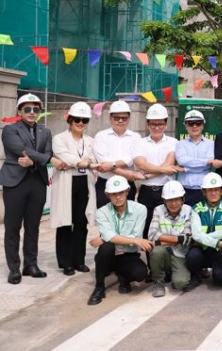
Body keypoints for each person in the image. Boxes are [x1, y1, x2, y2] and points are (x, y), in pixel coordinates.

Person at [1, 93, 60, 284]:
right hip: (15, 183)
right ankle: (14, 268)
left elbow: (45, 151)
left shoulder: (45, 132)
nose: (32, 112)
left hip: (37, 182)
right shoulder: (10, 130)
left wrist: (33, 163)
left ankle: (30, 265)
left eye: (36, 109)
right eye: (27, 109)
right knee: (13, 227)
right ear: (19, 111)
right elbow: (22, 150)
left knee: (33, 226)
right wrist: (49, 160)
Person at [88, 176, 151, 305]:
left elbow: (136, 235)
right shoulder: (101, 212)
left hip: (128, 253)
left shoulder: (140, 209)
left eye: (121, 193)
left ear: (127, 191)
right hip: (109, 254)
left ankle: (123, 276)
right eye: (114, 194)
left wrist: (106, 237)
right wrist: (108, 237)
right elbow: (130, 239)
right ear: (107, 195)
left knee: (140, 274)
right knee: (106, 247)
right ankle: (99, 286)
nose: (118, 197)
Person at [51, 102, 96, 276]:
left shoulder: (90, 141)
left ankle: (79, 260)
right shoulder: (59, 138)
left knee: (80, 223)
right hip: (65, 184)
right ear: (70, 120)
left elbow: (91, 159)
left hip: (83, 183)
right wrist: (82, 162)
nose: (80, 123)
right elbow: (64, 156)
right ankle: (65, 262)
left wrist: (77, 163)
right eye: (77, 119)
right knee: (64, 223)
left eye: (84, 120)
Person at [132, 104, 181, 239]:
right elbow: (141, 163)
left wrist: (147, 175)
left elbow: (169, 163)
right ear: (147, 124)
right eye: (153, 124)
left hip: (167, 191)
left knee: (167, 228)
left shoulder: (174, 142)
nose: (157, 127)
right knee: (147, 229)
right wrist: (163, 170)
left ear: (166, 124)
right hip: (146, 192)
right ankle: (150, 260)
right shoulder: (139, 143)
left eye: (160, 124)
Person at [186, 173, 222, 289]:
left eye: (216, 190)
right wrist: (213, 241)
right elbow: (196, 235)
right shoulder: (196, 208)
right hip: (203, 248)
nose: (213, 193)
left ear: (221, 191)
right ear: (204, 192)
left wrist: (203, 237)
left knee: (219, 279)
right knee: (192, 256)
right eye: (209, 190)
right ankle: (196, 276)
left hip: (219, 250)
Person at [148, 180, 193, 296]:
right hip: (164, 251)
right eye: (169, 200)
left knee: (180, 283)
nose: (173, 203)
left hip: (180, 253)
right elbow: (151, 236)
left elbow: (187, 239)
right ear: (164, 201)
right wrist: (177, 239)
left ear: (182, 199)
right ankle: (158, 281)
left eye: (177, 199)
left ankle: (173, 276)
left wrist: (162, 240)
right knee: (156, 251)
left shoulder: (188, 210)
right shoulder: (158, 210)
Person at [92, 100, 140, 207]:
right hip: (105, 184)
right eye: (116, 118)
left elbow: (132, 158)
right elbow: (103, 161)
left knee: (127, 220)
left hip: (127, 184)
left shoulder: (136, 137)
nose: (120, 121)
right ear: (110, 118)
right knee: (105, 220)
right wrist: (125, 173)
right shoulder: (101, 136)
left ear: (129, 119)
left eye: (124, 118)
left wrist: (112, 165)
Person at [175, 109, 214, 206]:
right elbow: (182, 160)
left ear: (203, 125)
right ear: (185, 125)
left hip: (204, 190)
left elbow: (210, 164)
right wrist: (205, 162)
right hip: (184, 190)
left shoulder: (211, 144)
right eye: (191, 123)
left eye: (198, 123)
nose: (194, 126)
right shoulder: (180, 144)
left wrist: (185, 169)